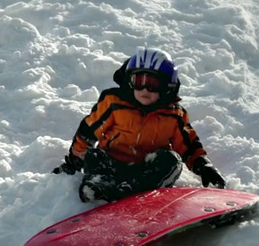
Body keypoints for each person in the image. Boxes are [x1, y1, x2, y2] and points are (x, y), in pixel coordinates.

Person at [53, 47, 226, 202]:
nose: (144, 89)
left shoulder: (174, 115)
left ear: (167, 86)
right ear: (129, 81)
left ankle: (139, 191)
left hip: (147, 170)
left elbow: (188, 146)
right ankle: (98, 186)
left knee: (172, 161)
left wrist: (204, 167)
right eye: (139, 81)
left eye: (152, 84)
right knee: (95, 156)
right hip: (112, 164)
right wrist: (74, 162)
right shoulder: (114, 103)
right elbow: (89, 131)